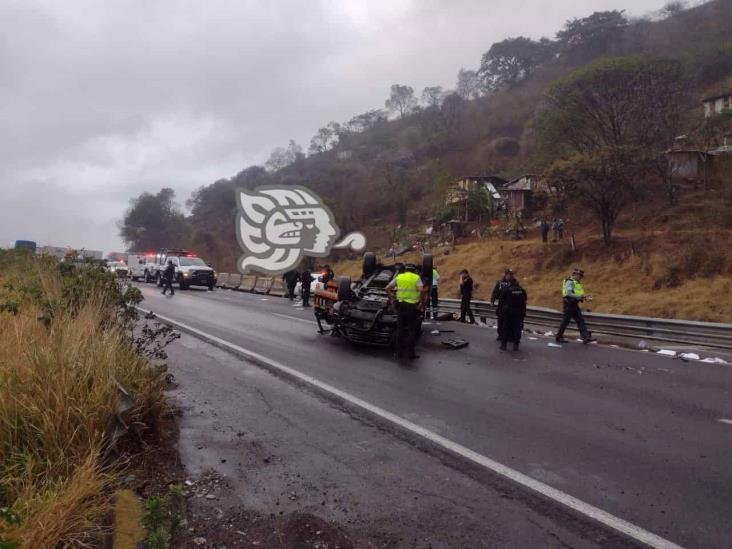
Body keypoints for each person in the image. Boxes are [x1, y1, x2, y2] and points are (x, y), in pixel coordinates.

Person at [386, 264, 425, 359]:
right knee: (412, 330)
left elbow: (387, 288)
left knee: (400, 329)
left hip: (401, 306)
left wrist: (392, 299)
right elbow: (422, 290)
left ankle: (399, 353)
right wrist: (421, 303)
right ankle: (410, 353)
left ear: (405, 270)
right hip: (412, 307)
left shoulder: (399, 277)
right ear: (414, 271)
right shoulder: (416, 277)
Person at [556, 268, 597, 344]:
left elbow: (577, 294)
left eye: (581, 276)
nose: (581, 277)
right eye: (580, 276)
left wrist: (584, 297)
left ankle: (586, 337)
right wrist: (580, 297)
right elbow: (568, 293)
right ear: (575, 274)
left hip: (574, 304)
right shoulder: (570, 281)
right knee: (565, 321)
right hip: (568, 304)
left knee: (580, 320)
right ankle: (559, 337)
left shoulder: (577, 283)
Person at [496, 271, 527, 351]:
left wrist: (500, 311)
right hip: (519, 313)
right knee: (517, 329)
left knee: (506, 328)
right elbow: (524, 301)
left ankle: (504, 345)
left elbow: (501, 301)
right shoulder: (522, 291)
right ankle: (516, 345)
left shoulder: (507, 290)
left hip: (508, 312)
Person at [490, 268, 513, 341]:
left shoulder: (514, 283)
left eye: (511, 274)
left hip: (510, 305)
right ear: (505, 275)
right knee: (500, 320)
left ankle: (509, 336)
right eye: (509, 274)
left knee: (509, 321)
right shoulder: (500, 283)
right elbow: (495, 292)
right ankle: (500, 335)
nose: (510, 276)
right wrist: (492, 301)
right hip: (501, 304)